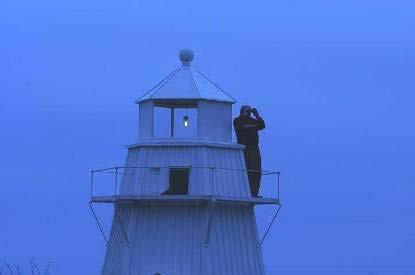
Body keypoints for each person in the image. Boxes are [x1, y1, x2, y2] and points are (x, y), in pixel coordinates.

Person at [233, 105, 265, 197]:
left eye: (249, 111)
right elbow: (241, 127)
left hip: (255, 147)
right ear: (241, 111)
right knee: (248, 170)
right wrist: (253, 126)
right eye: (247, 111)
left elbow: (262, 125)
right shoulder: (237, 120)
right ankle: (247, 192)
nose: (249, 113)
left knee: (257, 171)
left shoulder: (253, 120)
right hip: (245, 148)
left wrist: (257, 115)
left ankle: (254, 193)